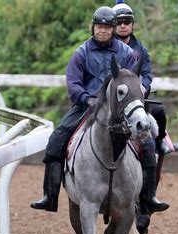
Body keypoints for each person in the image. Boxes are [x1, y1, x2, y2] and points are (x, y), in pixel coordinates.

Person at [31, 6, 150, 213]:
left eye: (107, 27)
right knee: (56, 140)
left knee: (147, 142)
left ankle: (149, 198)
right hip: (87, 106)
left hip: (120, 108)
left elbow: (132, 81)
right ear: (92, 28)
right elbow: (74, 84)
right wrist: (87, 99)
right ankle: (50, 196)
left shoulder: (128, 53)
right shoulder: (81, 53)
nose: (102, 31)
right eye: (99, 27)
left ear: (113, 29)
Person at [112, 0, 170, 231]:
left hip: (137, 99)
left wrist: (141, 88)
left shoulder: (140, 48)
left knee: (158, 111)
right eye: (120, 22)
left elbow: (147, 74)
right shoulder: (106, 46)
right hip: (114, 102)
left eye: (127, 22)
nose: (124, 26)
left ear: (132, 25)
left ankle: (159, 144)